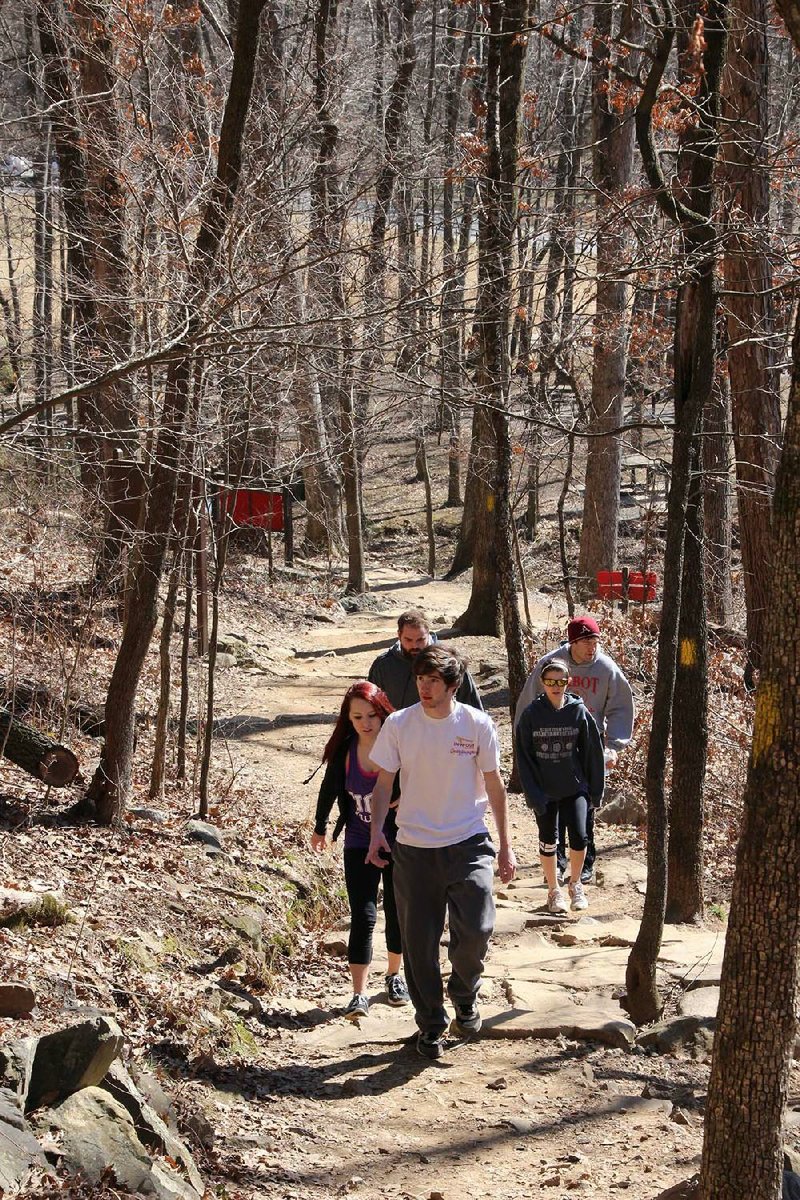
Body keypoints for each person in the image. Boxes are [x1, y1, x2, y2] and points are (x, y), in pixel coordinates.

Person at [365, 645, 516, 1060]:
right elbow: (382, 786)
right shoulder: (399, 724)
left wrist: (505, 846)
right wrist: (378, 831)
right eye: (419, 680)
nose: (424, 688)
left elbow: (496, 786)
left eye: (433, 681)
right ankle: (430, 1023)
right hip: (414, 849)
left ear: (453, 686)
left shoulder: (477, 724)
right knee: (419, 946)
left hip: (468, 841)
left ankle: (465, 993)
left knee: (477, 929)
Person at [311, 681, 409, 1019]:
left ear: (382, 712)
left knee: (397, 910)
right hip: (357, 839)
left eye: (371, 715)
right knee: (364, 915)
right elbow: (329, 787)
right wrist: (320, 826)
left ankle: (395, 977)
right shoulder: (345, 751)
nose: (366, 723)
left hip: (398, 840)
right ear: (348, 719)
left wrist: (403, 799)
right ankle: (358, 994)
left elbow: (421, 781)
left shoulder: (399, 745)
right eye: (357, 717)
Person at [514, 615, 634, 884]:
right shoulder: (551, 664)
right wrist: (525, 741)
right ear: (572, 642)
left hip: (589, 744)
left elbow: (621, 707)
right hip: (551, 742)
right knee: (550, 808)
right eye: (585, 641)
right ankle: (555, 865)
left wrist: (614, 746)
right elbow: (528, 703)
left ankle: (584, 866)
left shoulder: (606, 669)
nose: (592, 646)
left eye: (595, 640)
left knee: (585, 806)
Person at [515, 657, 605, 915]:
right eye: (551, 681)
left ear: (569, 682)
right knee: (548, 840)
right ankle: (554, 889)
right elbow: (525, 757)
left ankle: (575, 883)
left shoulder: (578, 711)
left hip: (574, 787)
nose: (556, 686)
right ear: (543, 682)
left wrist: (595, 790)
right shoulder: (532, 715)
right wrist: (533, 793)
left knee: (579, 835)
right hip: (544, 790)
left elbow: (592, 753)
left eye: (561, 681)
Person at [368, 608, 483, 711]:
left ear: (428, 634)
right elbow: (369, 707)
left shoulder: (450, 662)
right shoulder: (383, 666)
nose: (415, 646)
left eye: (420, 639)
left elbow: (473, 710)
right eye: (408, 640)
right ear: (399, 635)